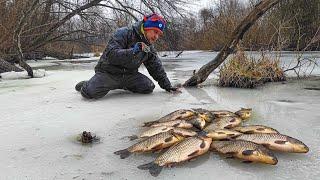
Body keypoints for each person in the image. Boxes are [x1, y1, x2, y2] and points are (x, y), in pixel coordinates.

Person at [75, 13, 180, 99]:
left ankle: (121, 85)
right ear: (147, 27)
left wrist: (167, 86)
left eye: (159, 34)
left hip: (129, 75)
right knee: (89, 93)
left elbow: (156, 67)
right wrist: (133, 51)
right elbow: (111, 55)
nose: (156, 37)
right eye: (155, 32)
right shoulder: (123, 33)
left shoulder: (149, 47)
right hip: (109, 73)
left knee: (148, 87)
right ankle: (88, 83)